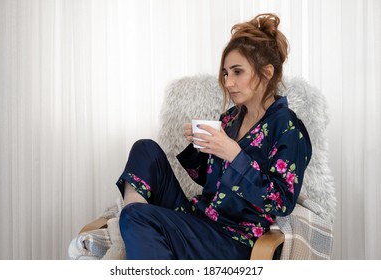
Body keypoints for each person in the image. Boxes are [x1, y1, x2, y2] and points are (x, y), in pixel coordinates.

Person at [116, 13, 312, 260]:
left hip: (233, 239)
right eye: (226, 73)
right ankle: (138, 220)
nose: (229, 82)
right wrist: (198, 146)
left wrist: (233, 153)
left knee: (135, 217)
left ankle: (139, 225)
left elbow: (281, 202)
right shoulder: (230, 118)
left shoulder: (287, 126)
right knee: (144, 149)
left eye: (238, 72)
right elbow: (208, 181)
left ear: (266, 72)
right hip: (199, 220)